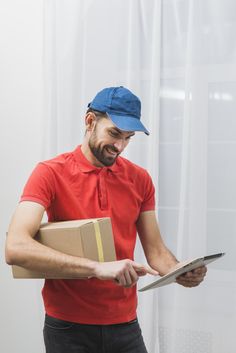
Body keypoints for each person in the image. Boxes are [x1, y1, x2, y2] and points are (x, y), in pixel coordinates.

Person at [5, 86, 207, 353]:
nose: (120, 146)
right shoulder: (49, 173)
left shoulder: (140, 179)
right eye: (114, 134)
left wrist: (180, 270)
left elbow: (156, 252)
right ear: (90, 121)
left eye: (128, 138)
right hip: (67, 327)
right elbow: (15, 247)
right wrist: (97, 268)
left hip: (125, 324)